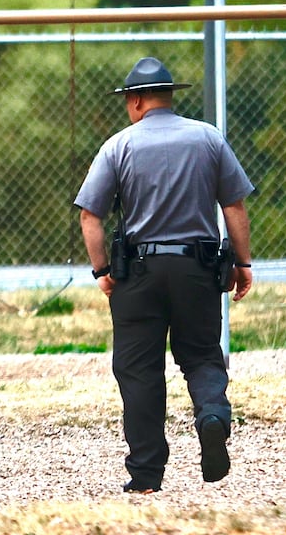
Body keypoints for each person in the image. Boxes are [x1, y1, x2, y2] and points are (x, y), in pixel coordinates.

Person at [73, 56, 255, 494]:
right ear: (169, 97)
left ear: (135, 101)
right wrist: (242, 263)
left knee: (138, 370)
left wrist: (102, 270)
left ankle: (146, 475)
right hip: (197, 269)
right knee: (202, 355)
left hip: (138, 273)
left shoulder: (119, 146)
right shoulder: (208, 138)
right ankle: (212, 415)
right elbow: (234, 206)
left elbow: (90, 217)